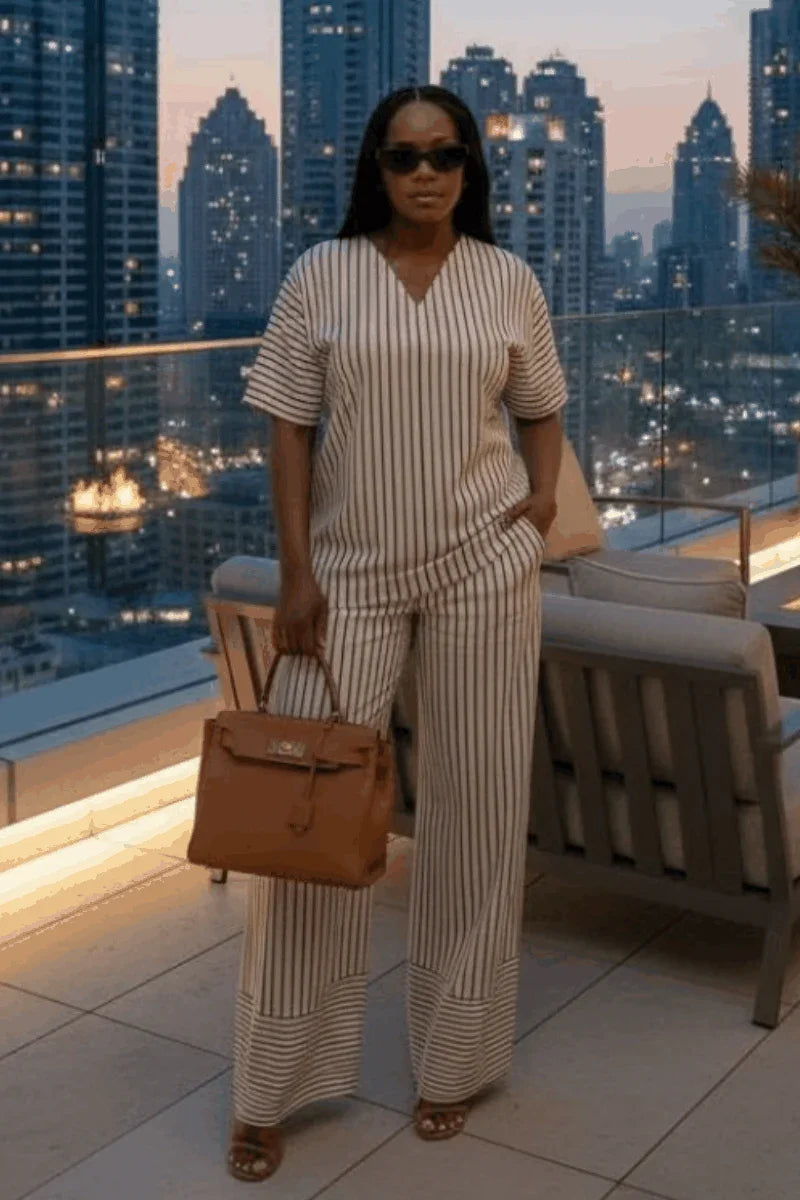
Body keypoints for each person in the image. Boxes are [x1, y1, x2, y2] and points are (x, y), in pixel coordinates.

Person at [227, 83, 566, 1182]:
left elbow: (541, 406)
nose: (426, 173)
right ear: (375, 169)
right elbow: (288, 428)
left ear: (470, 168)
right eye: (404, 156)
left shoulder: (506, 280)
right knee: (305, 821)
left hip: (483, 569)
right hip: (344, 582)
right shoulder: (319, 276)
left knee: (476, 814)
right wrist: (296, 574)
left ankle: (453, 1061)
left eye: (446, 154)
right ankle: (272, 1083)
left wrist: (538, 505)